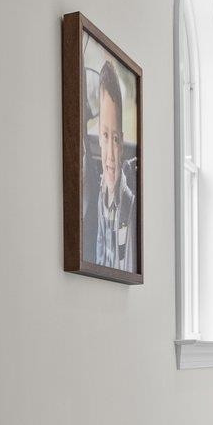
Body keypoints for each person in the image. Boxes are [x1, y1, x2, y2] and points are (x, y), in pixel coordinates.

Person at [83, 57, 138, 271]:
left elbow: (126, 264)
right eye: (105, 136)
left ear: (122, 144)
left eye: (115, 139)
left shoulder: (127, 203)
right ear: (98, 139)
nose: (111, 157)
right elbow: (99, 252)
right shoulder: (101, 195)